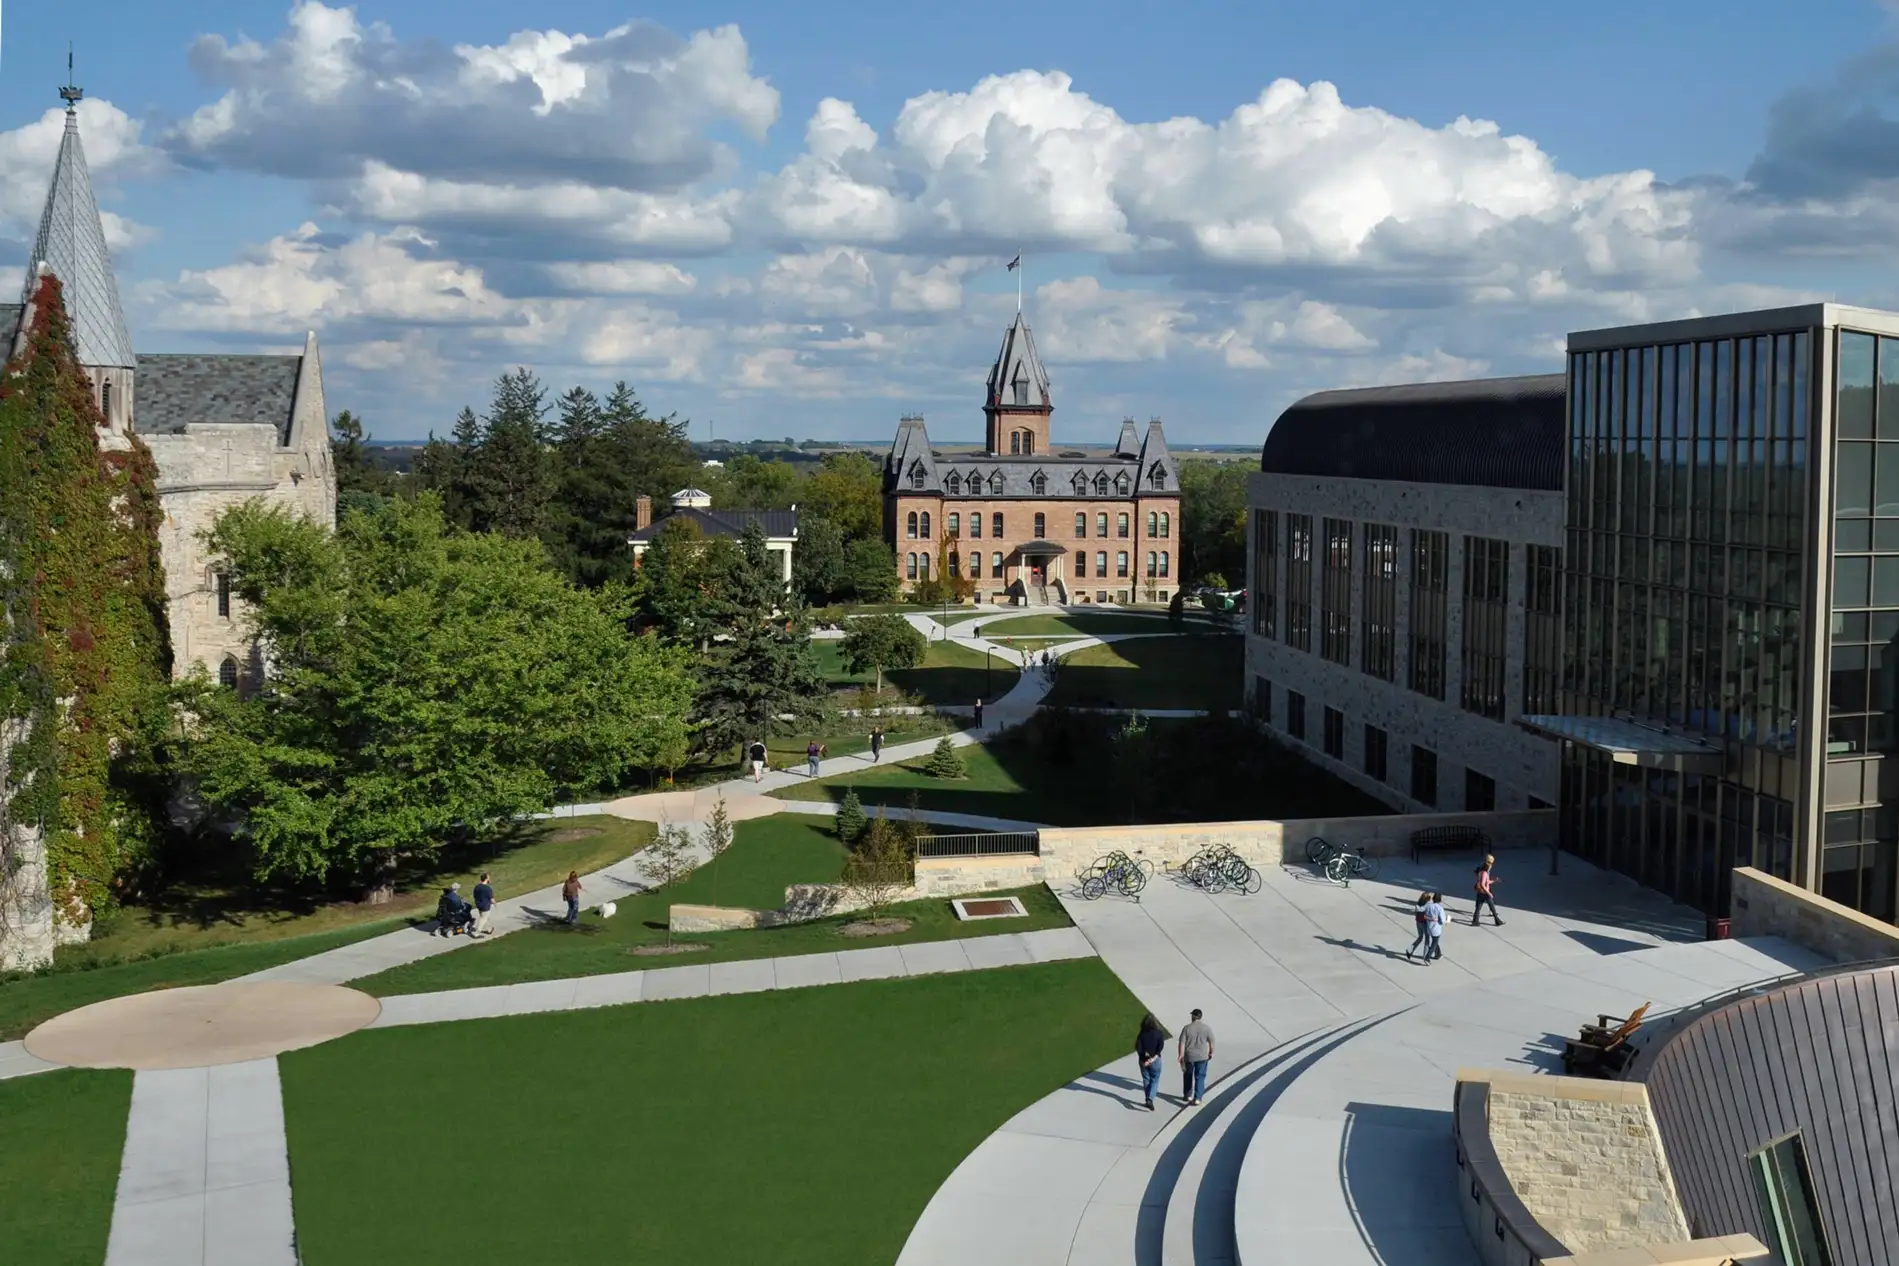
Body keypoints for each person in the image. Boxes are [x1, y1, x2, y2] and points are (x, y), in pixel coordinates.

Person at [1177, 1008, 1215, 1106]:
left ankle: (1187, 1095)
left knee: (1188, 1075)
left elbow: (1182, 1043)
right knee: (1200, 1077)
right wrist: (1211, 1052)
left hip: (1189, 1056)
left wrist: (1180, 1055)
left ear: (1193, 1016)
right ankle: (1198, 1098)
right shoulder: (1206, 1028)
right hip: (1202, 1057)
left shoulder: (1187, 1028)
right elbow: (1211, 1041)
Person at [1135, 1013, 1167, 1110]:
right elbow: (1160, 1047)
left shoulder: (1141, 1034)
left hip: (1143, 1061)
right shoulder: (1159, 1033)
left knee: (1146, 1079)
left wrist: (1144, 1059)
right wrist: (1153, 1058)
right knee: (1155, 1079)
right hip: (1155, 1060)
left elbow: (1138, 1048)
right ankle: (1150, 1098)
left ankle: (1148, 1098)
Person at [1472, 855, 1504, 926]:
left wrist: (1494, 880)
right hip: (1485, 893)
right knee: (1492, 907)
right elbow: (1483, 884)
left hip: (1480, 892)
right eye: (1491, 865)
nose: (1491, 867)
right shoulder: (1484, 873)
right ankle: (1497, 921)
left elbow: (1487, 882)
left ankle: (1475, 921)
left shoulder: (1481, 871)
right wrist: (1489, 893)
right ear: (1488, 866)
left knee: (1478, 907)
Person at [1404, 890, 1432, 960]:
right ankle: (1425, 956)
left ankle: (1410, 950)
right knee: (1427, 939)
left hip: (1418, 922)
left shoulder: (1419, 902)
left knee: (1420, 937)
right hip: (1424, 923)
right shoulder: (1427, 904)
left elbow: (1417, 912)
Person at [1423, 891, 1447, 963]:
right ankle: (1427, 957)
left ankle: (1438, 954)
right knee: (1435, 942)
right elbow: (1442, 921)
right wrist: (1447, 921)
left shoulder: (1428, 906)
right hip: (1436, 928)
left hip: (1429, 927)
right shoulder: (1440, 909)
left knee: (1434, 940)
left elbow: (1425, 916)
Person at [471, 872, 496, 938]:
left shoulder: (477, 887)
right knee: (483, 919)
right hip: (485, 906)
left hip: (479, 905)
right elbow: (491, 899)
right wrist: (495, 903)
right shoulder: (488, 889)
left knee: (486, 917)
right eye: (488, 878)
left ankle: (489, 929)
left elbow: (474, 896)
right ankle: (476, 933)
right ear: (486, 879)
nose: (490, 879)